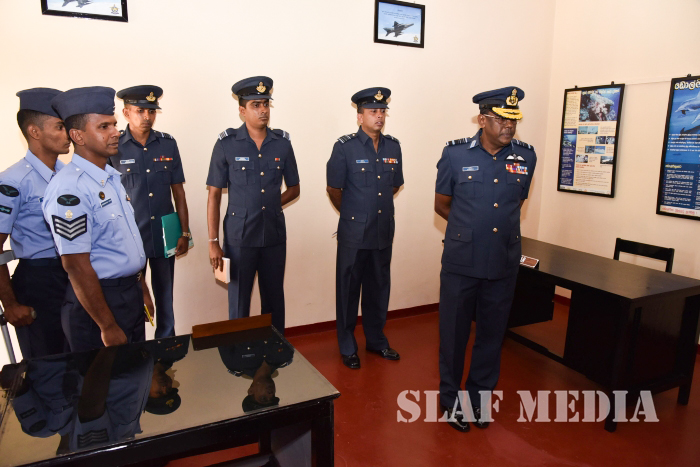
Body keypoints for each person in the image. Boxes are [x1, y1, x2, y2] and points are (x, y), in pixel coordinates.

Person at [434, 87, 537, 432]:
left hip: (502, 261)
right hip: (462, 261)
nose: (509, 126)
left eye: (513, 120)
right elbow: (442, 204)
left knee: (492, 336)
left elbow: (515, 204)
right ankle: (450, 400)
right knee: (453, 335)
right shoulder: (454, 154)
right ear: (482, 119)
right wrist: (469, 230)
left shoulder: (526, 156)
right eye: (501, 119)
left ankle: (478, 400)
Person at [43, 86, 147, 352]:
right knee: (105, 378)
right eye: (104, 127)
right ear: (78, 136)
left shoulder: (110, 177)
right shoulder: (69, 189)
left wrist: (142, 288)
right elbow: (76, 266)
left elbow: (126, 242)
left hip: (129, 295)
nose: (115, 132)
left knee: (137, 373)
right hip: (100, 305)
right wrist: (107, 325)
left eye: (114, 125)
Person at [206, 76, 300, 333]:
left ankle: (275, 349)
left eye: (266, 104)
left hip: (273, 235)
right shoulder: (226, 144)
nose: (263, 110)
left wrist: (270, 205)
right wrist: (213, 242)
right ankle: (238, 352)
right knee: (239, 303)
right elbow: (214, 195)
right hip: (240, 237)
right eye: (256, 105)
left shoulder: (282, 143)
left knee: (274, 301)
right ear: (242, 110)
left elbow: (294, 189)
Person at [326, 87, 403, 369]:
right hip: (354, 234)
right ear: (360, 116)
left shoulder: (393, 146)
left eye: (382, 111)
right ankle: (347, 346)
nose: (379, 116)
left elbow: (395, 185)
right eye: (373, 111)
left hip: (382, 231)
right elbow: (334, 189)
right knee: (348, 291)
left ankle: (376, 341)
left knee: (378, 289)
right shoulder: (344, 147)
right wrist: (354, 215)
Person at [109, 85, 190, 338]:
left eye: (152, 111)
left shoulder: (167, 144)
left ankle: (166, 349)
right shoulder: (114, 146)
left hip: (164, 235)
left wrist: (184, 233)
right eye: (140, 111)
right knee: (134, 299)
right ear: (126, 113)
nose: (147, 116)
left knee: (166, 297)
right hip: (131, 238)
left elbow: (178, 192)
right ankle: (138, 350)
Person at [0, 88, 71, 358]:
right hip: (39, 281)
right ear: (35, 131)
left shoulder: (69, 176)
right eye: (60, 127)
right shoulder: (13, 182)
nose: (68, 134)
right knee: (47, 366)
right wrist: (10, 303)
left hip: (72, 274)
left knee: (79, 363)